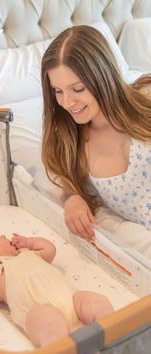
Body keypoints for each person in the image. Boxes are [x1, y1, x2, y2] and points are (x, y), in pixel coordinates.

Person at [41, 25, 151, 242]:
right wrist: (72, 199)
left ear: (103, 77)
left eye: (78, 89)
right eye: (58, 91)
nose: (68, 102)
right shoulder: (70, 144)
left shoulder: (146, 98)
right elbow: (66, 183)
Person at [0, 230, 113, 347]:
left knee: (96, 302)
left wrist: (28, 242)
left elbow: (50, 250)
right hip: (36, 311)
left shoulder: (27, 253)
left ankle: (114, 336)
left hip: (72, 301)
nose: (4, 235)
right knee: (48, 320)